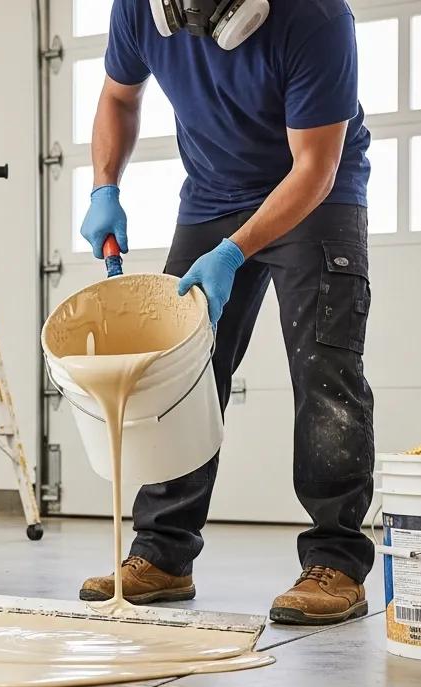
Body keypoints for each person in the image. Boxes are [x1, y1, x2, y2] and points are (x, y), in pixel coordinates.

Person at [79, 0, 375, 625]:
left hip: (315, 197)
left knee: (326, 376)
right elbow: (118, 97)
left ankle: (338, 563)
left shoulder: (315, 18)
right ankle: (162, 555)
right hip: (212, 194)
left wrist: (233, 253)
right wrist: (104, 185)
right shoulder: (139, 7)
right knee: (175, 372)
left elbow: (316, 168)